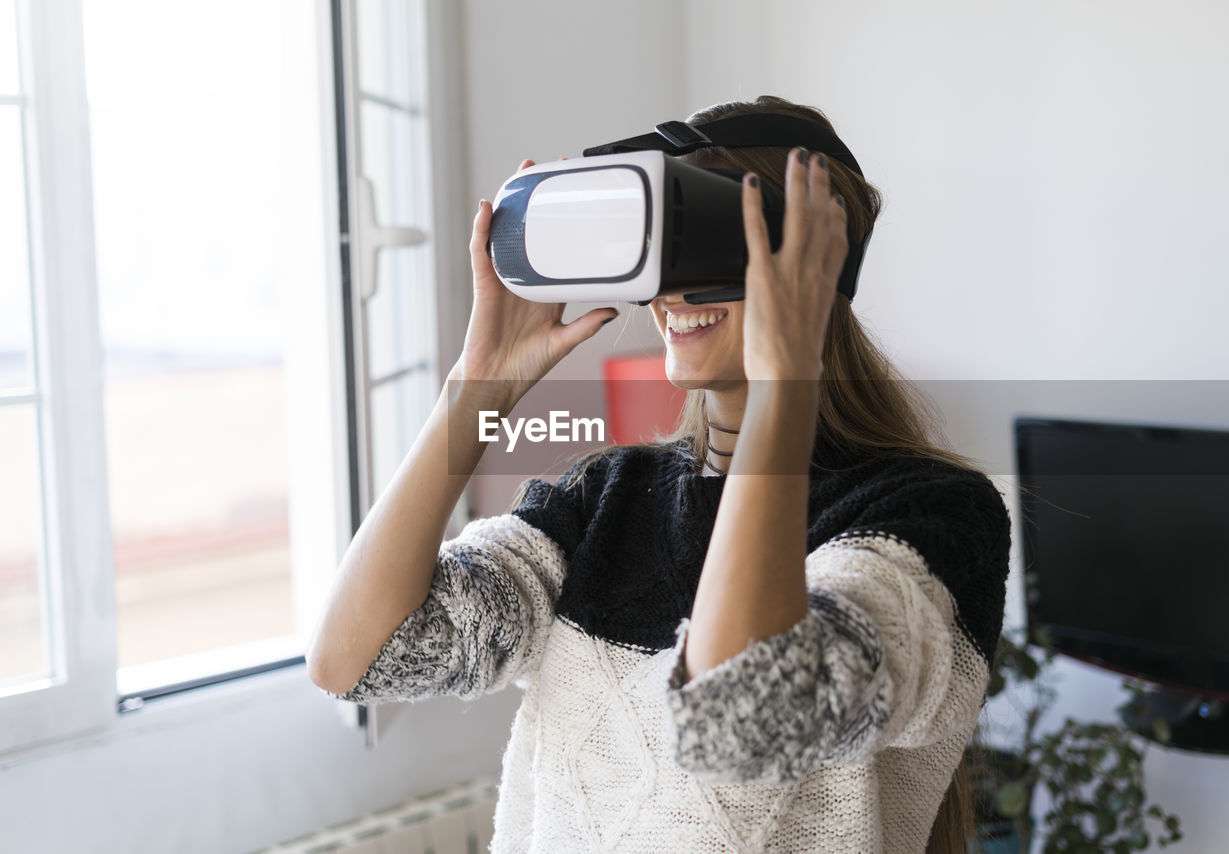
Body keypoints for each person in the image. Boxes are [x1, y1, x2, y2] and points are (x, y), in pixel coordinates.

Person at [306, 95, 1012, 854]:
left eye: (707, 243)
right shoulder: (601, 501)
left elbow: (741, 721)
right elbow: (358, 657)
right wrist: (475, 388)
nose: (671, 290)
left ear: (810, 269)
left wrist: (784, 388)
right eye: (658, 248)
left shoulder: (930, 517)